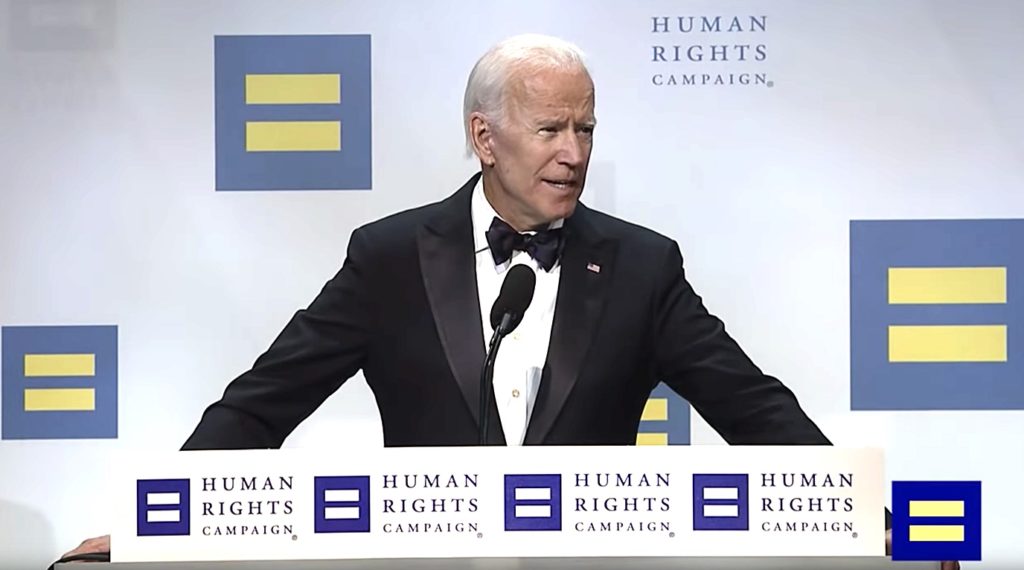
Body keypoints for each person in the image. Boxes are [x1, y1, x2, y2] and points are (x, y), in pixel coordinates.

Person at [61, 34, 956, 569]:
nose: (575, 152)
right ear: (484, 138)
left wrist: (864, 514)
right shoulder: (389, 259)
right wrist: (148, 526)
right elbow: (263, 404)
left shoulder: (641, 267)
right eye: (551, 128)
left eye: (587, 128)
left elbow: (751, 406)